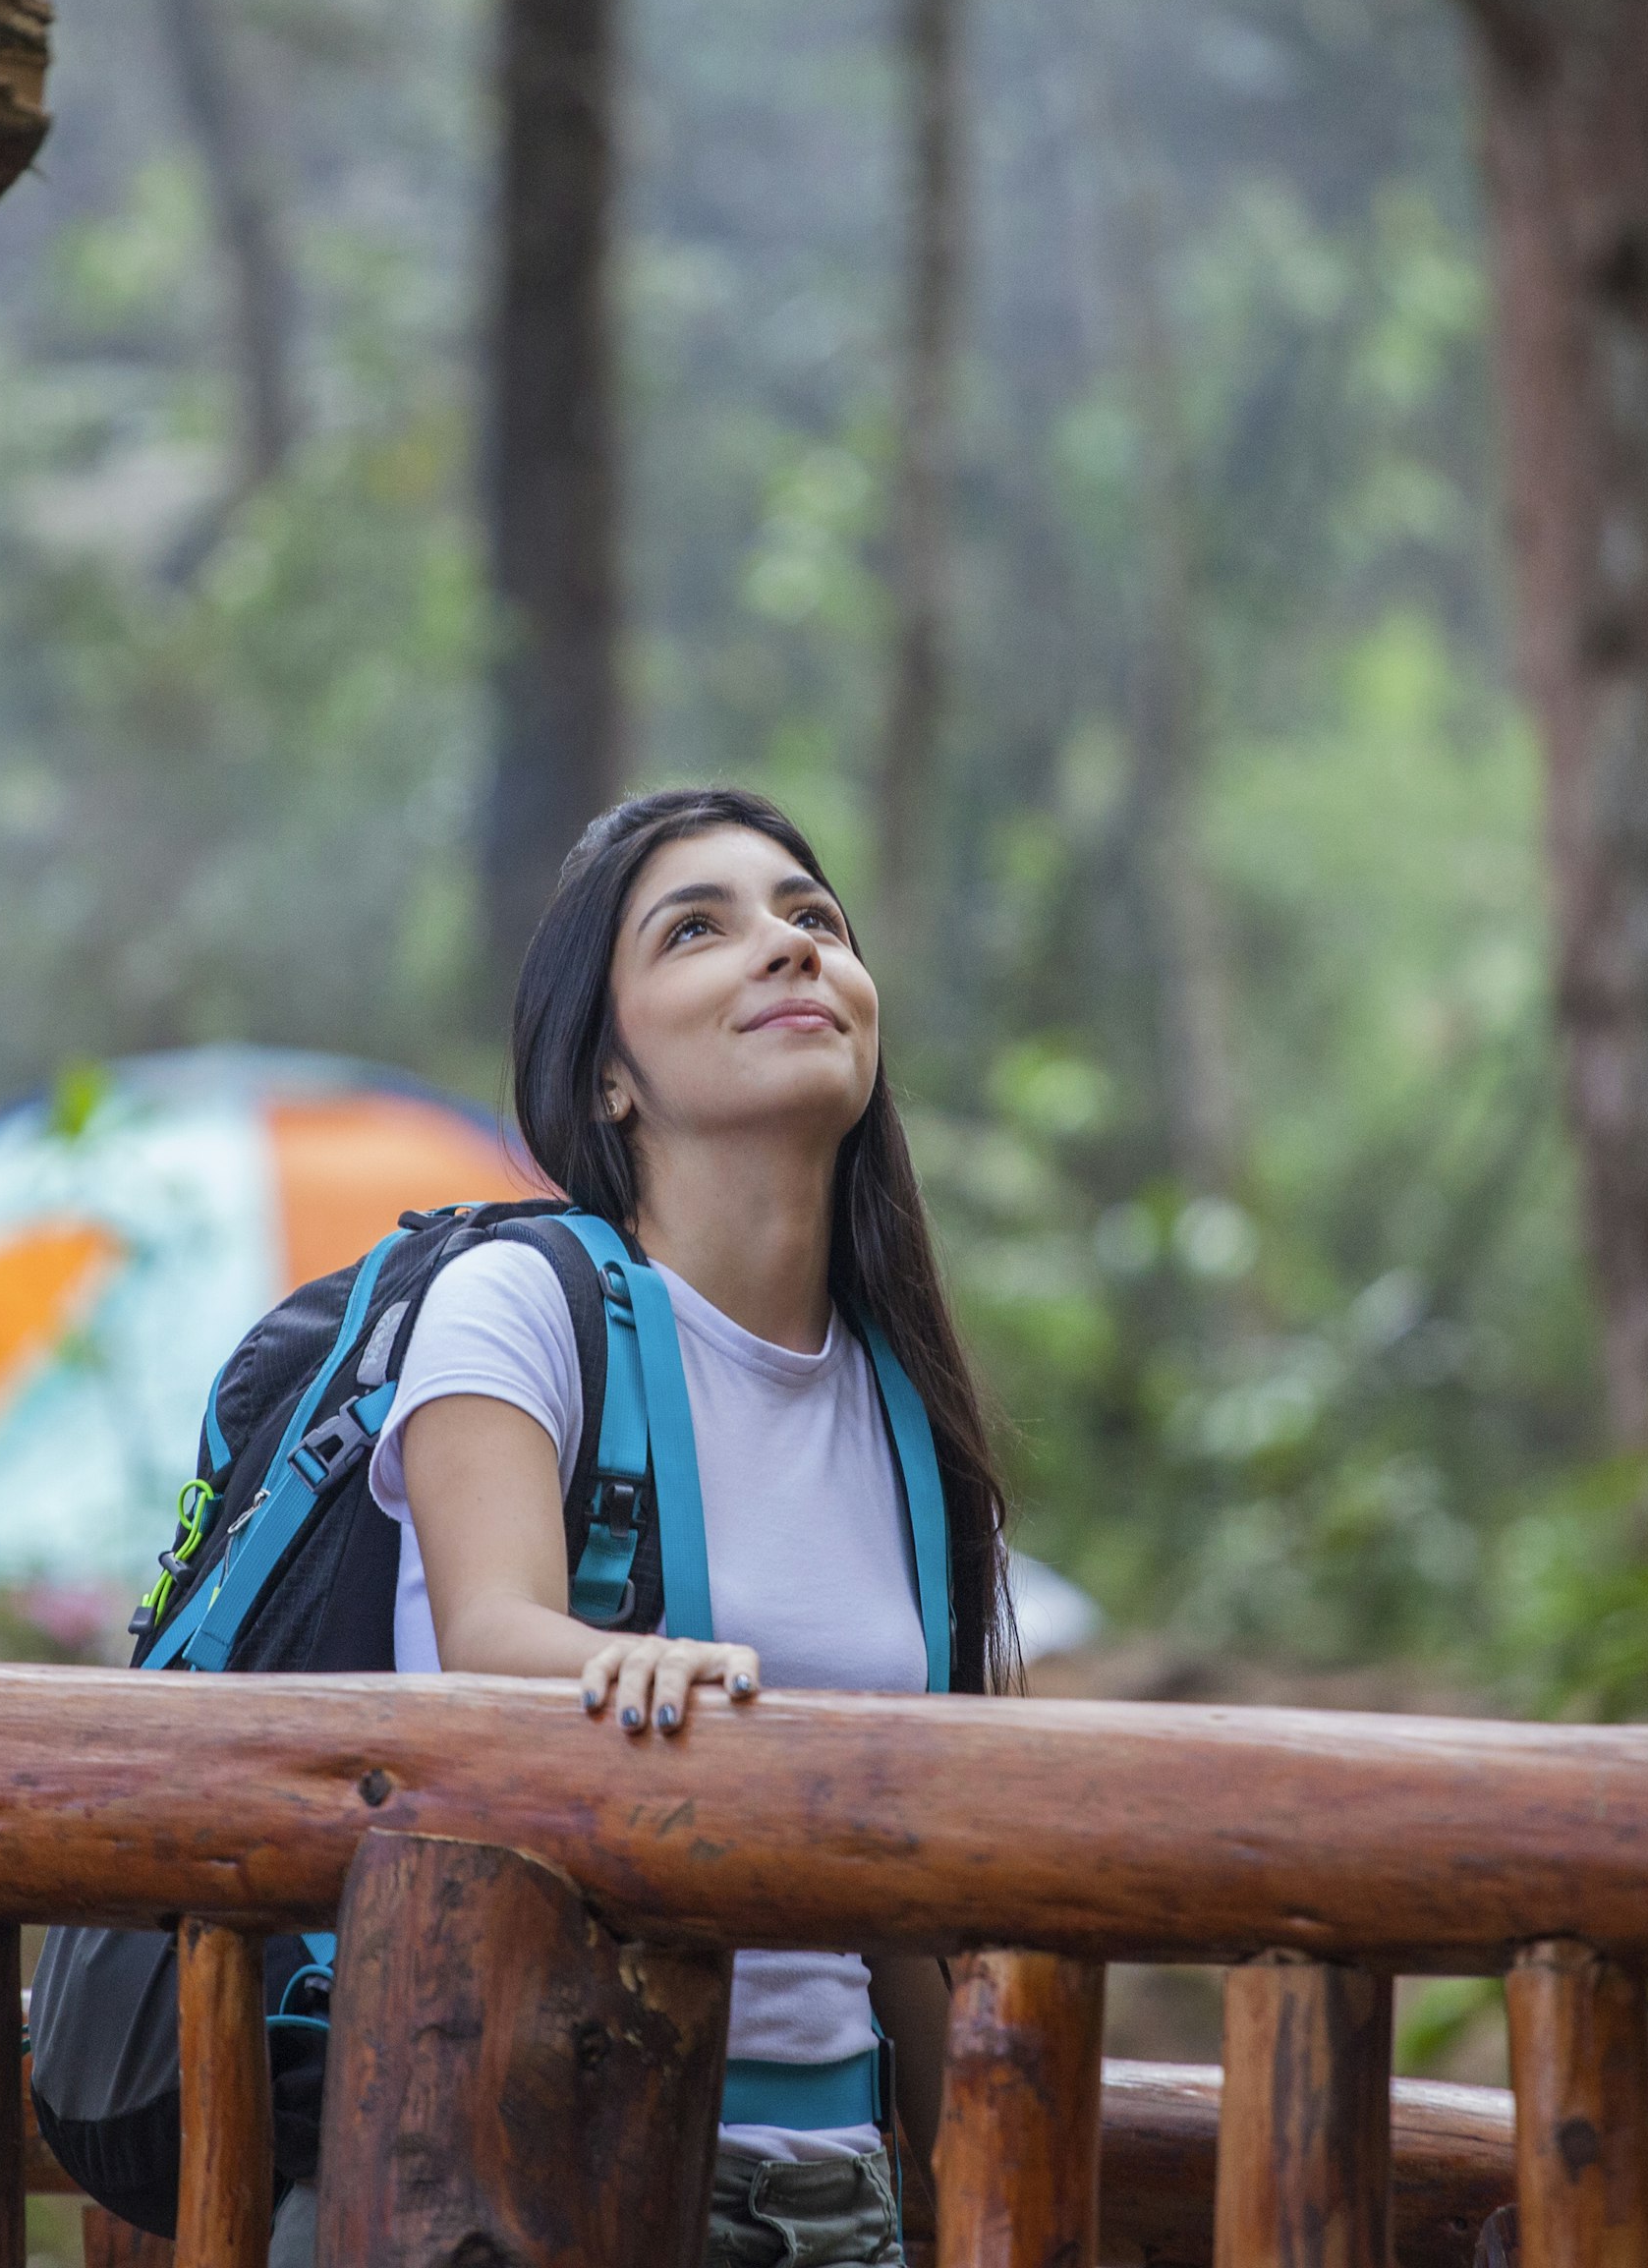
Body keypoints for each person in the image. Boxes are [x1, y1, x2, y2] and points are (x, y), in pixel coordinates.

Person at [271, 786, 1019, 2268]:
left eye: (816, 921)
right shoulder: (521, 1302)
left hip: (839, 2197)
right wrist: (635, 1668)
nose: (790, 950)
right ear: (608, 1075)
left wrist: (974, 2206)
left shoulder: (902, 1397)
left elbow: (914, 1897)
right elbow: (488, 1635)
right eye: (702, 928)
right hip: (536, 2170)